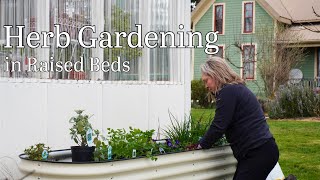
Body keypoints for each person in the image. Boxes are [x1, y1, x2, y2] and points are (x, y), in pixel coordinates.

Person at [197, 57, 279, 180]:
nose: (205, 86)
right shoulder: (235, 89)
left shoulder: (228, 92)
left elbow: (219, 126)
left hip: (258, 152)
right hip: (260, 151)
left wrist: (201, 145)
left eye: (206, 80)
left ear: (215, 75)